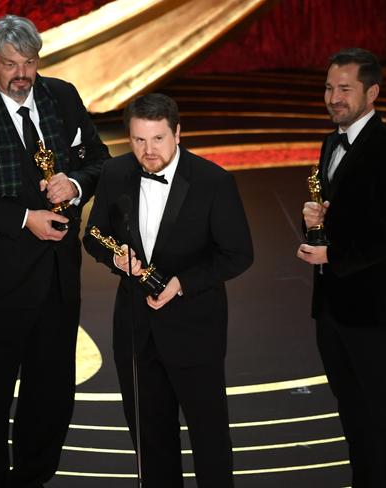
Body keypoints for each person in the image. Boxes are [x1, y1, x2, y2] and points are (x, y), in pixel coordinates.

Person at [0, 14, 109, 488]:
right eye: (10, 63)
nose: (21, 73)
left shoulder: (64, 96)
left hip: (56, 278)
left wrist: (73, 184)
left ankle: (34, 477)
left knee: (51, 393)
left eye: (29, 61)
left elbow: (98, 160)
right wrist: (23, 219)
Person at [83, 93, 253, 487]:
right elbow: (94, 236)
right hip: (135, 333)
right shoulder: (115, 173)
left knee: (209, 440)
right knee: (150, 441)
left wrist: (182, 283)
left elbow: (238, 254)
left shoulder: (214, 181)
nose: (148, 151)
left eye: (158, 139)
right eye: (139, 140)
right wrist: (115, 259)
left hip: (195, 330)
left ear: (178, 132)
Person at [297, 48, 386, 487]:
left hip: (374, 309)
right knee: (352, 413)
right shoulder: (331, 142)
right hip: (331, 307)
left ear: (372, 92)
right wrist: (314, 221)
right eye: (329, 87)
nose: (333, 97)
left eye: (345, 88)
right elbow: (344, 212)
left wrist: (335, 254)